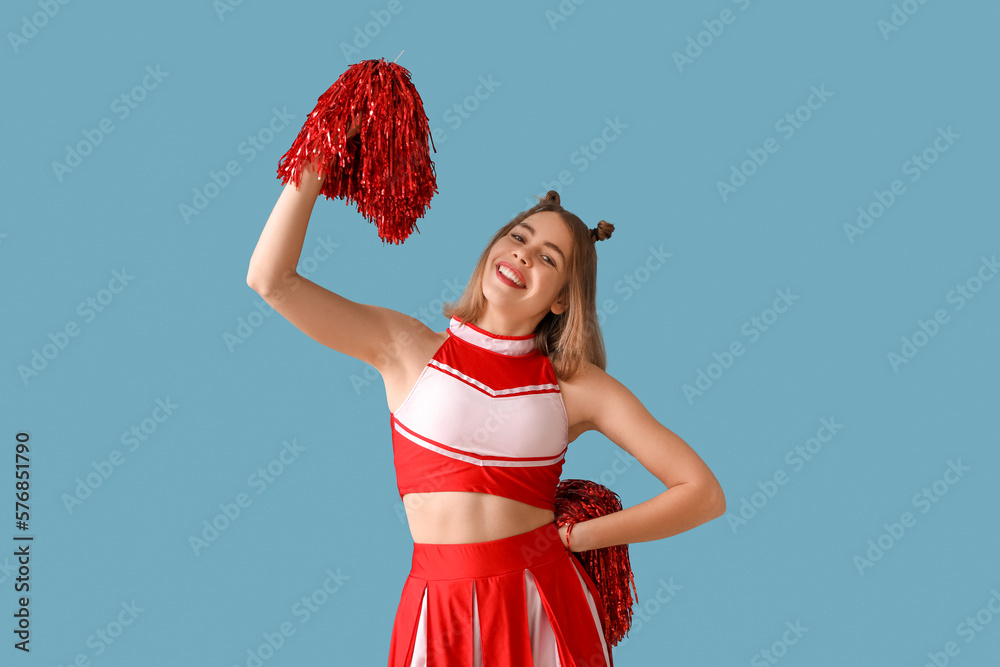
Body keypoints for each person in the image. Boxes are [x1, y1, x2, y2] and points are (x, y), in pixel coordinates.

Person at [246, 136, 727, 666]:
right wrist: (321, 149)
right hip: (437, 609)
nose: (523, 252)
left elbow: (702, 493)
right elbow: (271, 280)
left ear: (563, 299)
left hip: (545, 603)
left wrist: (578, 538)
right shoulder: (404, 345)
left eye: (548, 257)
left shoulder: (576, 385)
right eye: (518, 237)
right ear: (493, 249)